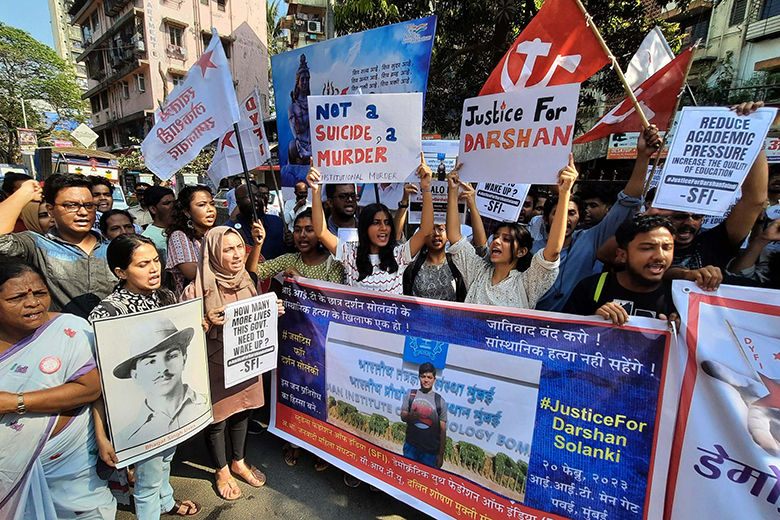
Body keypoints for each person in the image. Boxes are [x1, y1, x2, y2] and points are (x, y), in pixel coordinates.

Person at [88, 234, 202, 518]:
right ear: (120, 272)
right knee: (147, 478)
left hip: (171, 410)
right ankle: (153, 507)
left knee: (166, 459)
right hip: (137, 416)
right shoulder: (107, 313)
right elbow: (96, 382)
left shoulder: (165, 295)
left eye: (155, 261)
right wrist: (102, 435)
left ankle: (167, 502)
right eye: (142, 265)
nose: (153, 269)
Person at [0, 258, 116, 519]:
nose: (33, 303)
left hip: (71, 470)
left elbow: (89, 389)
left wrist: (14, 402)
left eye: (41, 293)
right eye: (17, 298)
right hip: (7, 471)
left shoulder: (70, 330)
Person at [181, 226, 283, 501]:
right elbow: (180, 335)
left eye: (240, 247)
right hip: (214, 367)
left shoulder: (247, 281)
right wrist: (203, 322)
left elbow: (256, 316)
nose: (237, 255)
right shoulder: (196, 289)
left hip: (246, 363)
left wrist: (272, 311)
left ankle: (239, 461)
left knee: (243, 410)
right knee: (217, 418)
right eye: (228, 249)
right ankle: (221, 470)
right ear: (213, 253)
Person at [533, 126, 663, 312]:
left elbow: (627, 204)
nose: (565, 218)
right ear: (545, 220)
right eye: (558, 212)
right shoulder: (532, 248)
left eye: (572, 213)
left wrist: (643, 156)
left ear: (580, 218)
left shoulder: (588, 240)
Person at [443, 156, 577, 309]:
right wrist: (452, 190)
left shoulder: (527, 283)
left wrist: (565, 193)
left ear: (521, 251)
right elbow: (454, 237)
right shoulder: (477, 272)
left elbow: (552, 252)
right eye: (496, 236)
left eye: (506, 239)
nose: (496, 241)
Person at [308, 152, 434, 294]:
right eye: (376, 222)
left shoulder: (399, 256)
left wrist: (426, 188)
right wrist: (316, 191)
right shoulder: (350, 257)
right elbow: (321, 232)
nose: (384, 228)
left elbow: (425, 231)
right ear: (364, 228)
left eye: (387, 222)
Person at [0, 174, 115, 318]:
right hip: (61, 336)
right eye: (71, 205)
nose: (83, 212)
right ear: (50, 210)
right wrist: (23, 194)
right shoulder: (37, 244)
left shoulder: (113, 248)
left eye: (88, 205)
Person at [563, 214, 677, 325]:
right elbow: (563, 336)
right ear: (622, 255)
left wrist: (684, 330)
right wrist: (594, 321)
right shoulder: (592, 287)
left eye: (667, 248)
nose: (660, 256)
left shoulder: (681, 298)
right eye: (647, 248)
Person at [255, 209, 345, 284]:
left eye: (309, 230)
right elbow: (255, 274)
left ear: (320, 235)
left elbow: (333, 300)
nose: (302, 235)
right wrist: (257, 245)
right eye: (297, 230)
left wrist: (300, 280)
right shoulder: (289, 260)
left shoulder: (333, 264)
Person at [166, 185, 217, 297]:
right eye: (202, 205)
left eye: (212, 204)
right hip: (193, 301)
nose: (210, 209)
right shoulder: (179, 236)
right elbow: (190, 271)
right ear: (187, 212)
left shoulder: (215, 233)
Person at [400, 363, 447, 468]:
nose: (426, 380)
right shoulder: (411, 394)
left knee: (424, 482)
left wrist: (440, 454)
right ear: (419, 377)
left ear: (434, 380)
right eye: (423, 377)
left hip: (430, 453)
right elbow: (403, 416)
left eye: (429, 377)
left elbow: (443, 431)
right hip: (410, 448)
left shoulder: (440, 401)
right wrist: (410, 416)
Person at [225, 183, 287, 260]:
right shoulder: (230, 230)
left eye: (258, 195)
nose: (256, 198)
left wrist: (291, 243)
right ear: (238, 203)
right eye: (249, 196)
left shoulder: (277, 222)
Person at [142, 185, 176, 263]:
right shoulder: (148, 238)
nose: (173, 206)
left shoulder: (183, 230)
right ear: (153, 209)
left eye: (174, 202)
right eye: (167, 203)